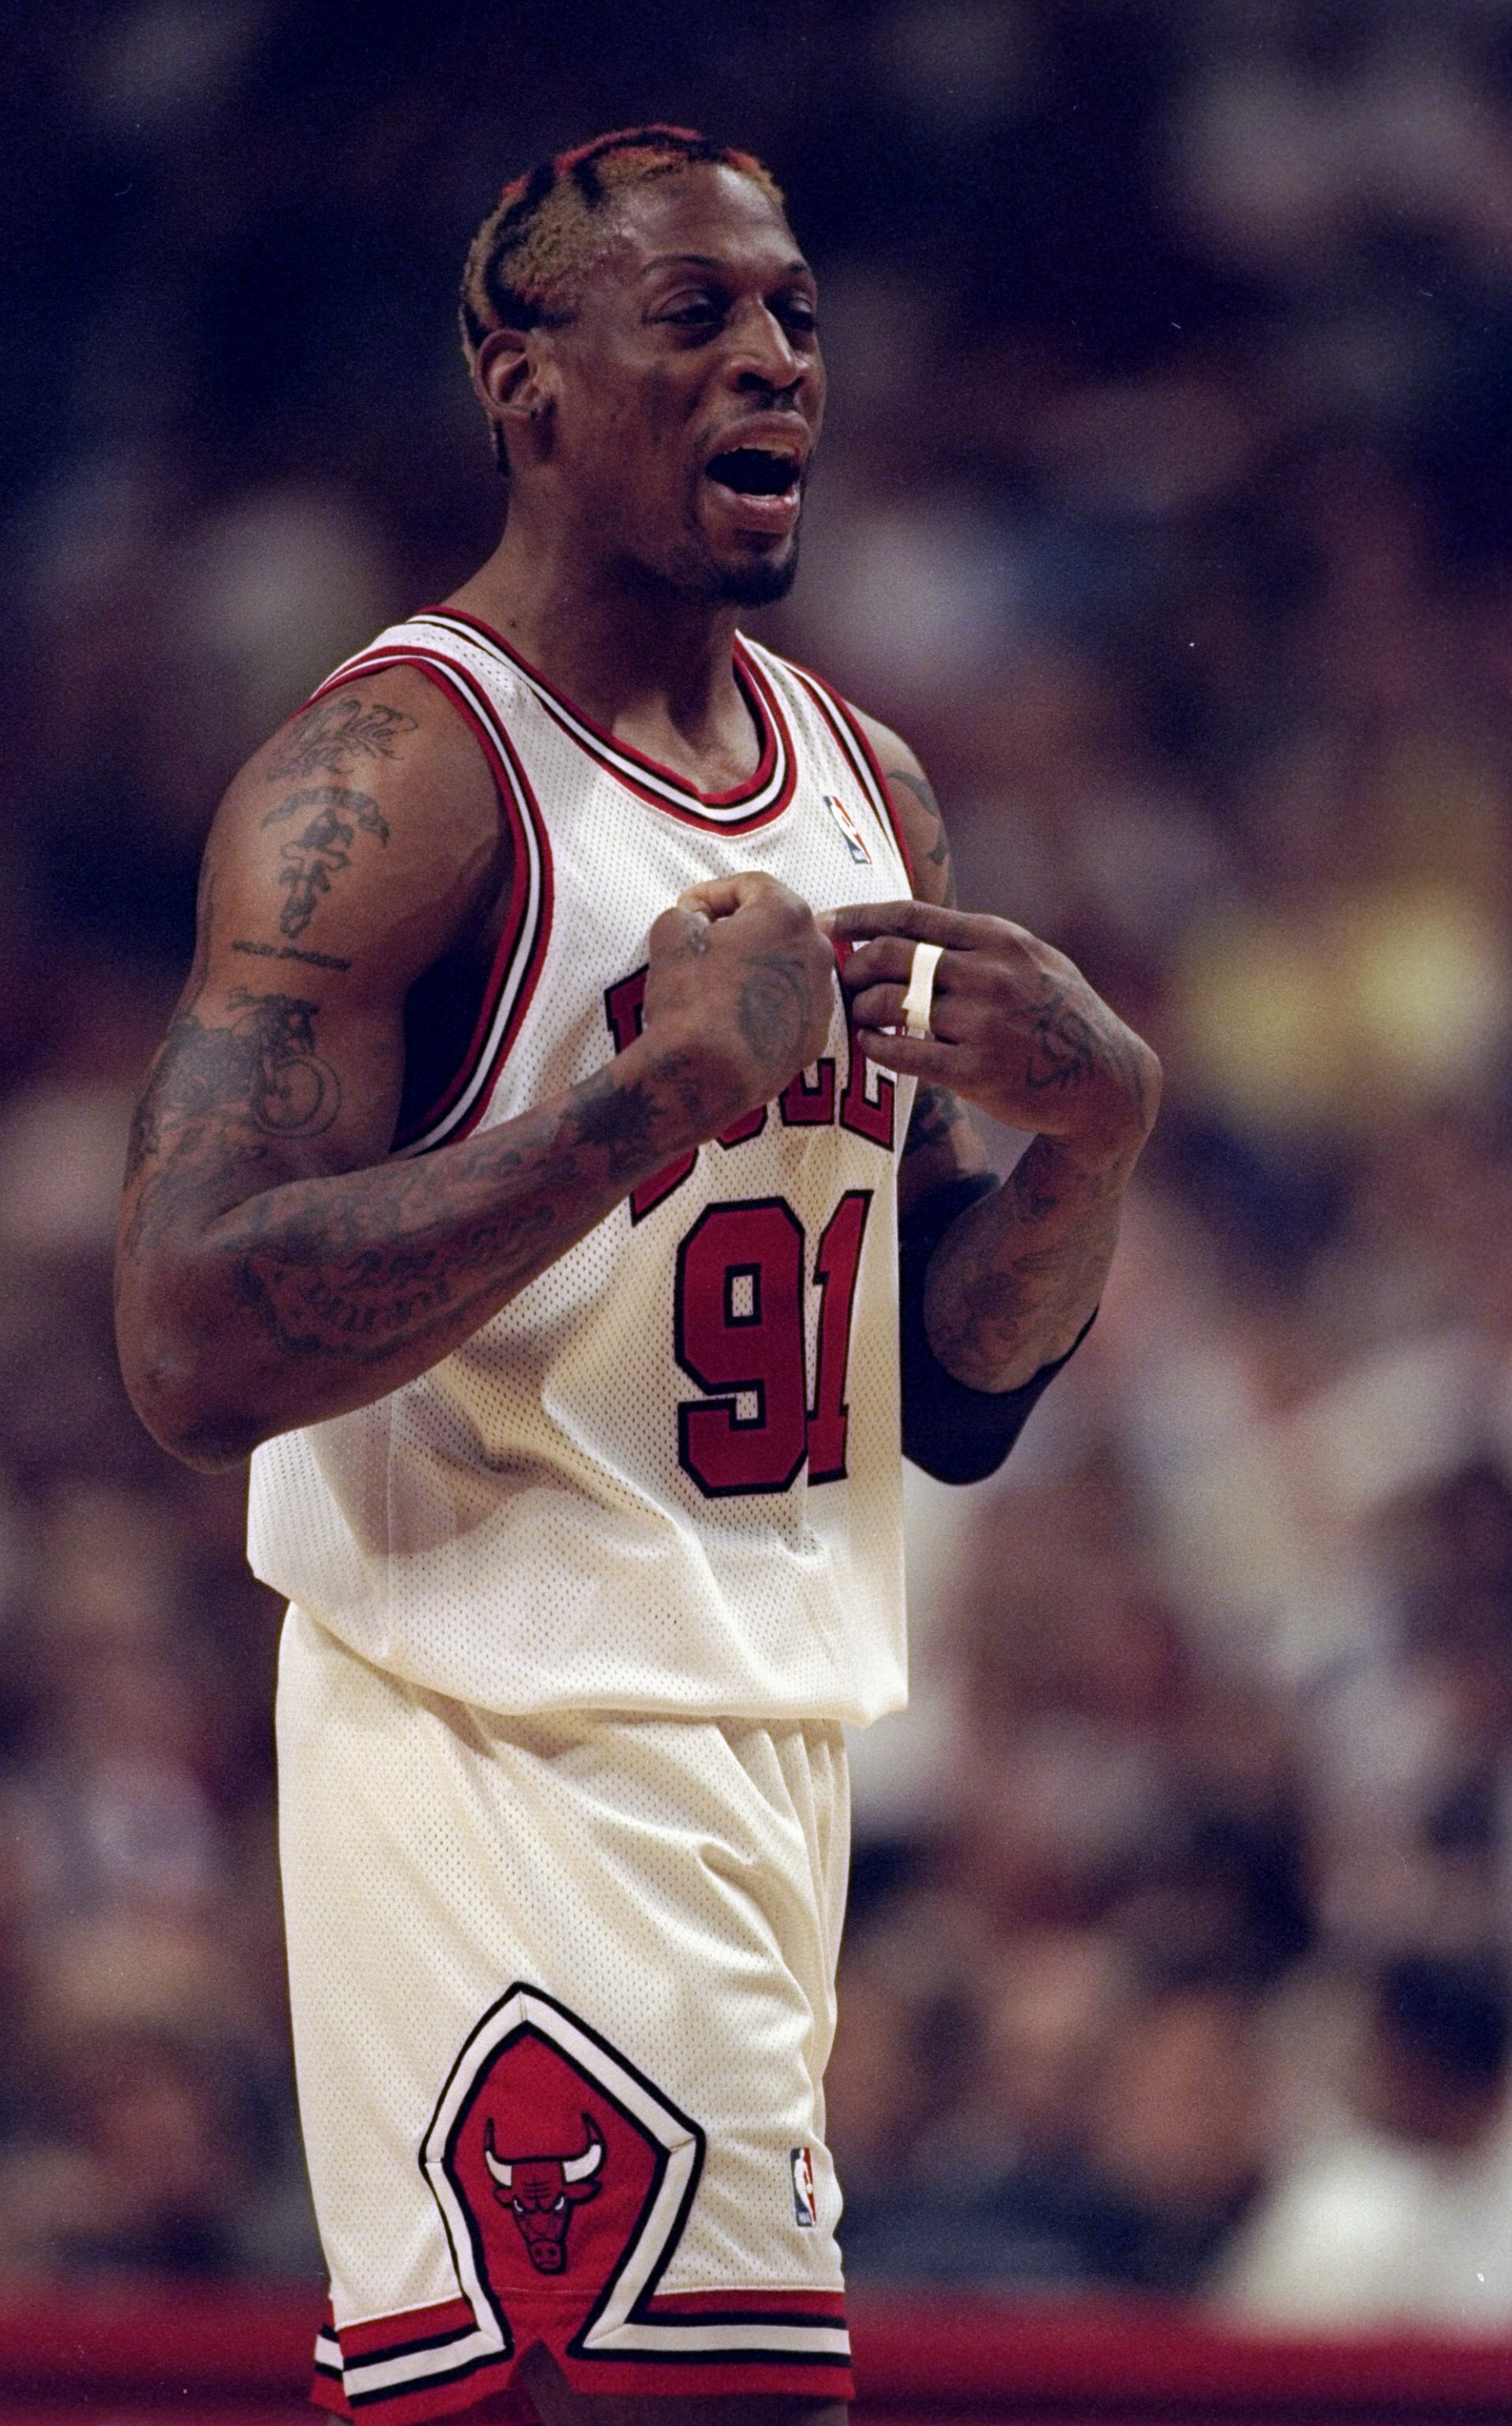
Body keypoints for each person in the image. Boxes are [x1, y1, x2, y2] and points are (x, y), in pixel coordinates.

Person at [114, 126, 1158, 2426]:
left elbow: (945, 1393)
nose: (771, 359)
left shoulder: (867, 778)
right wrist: (636, 1109)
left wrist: (1088, 1149)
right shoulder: (396, 769)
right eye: (693, 316)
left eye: (792, 316)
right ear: (528, 383)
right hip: (510, 1742)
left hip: (763, 1746)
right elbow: (189, 1341)